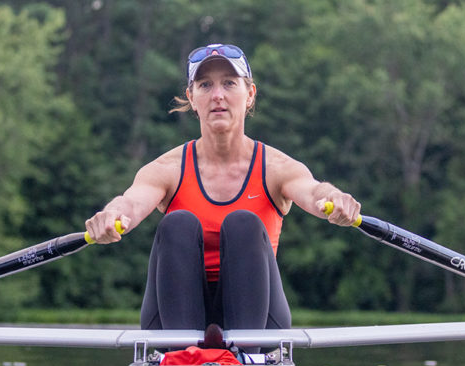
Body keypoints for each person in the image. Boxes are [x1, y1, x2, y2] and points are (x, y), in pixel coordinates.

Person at [85, 43, 360, 333]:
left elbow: (315, 192)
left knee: (244, 223)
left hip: (257, 313)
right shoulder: (166, 169)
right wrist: (111, 213)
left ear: (250, 94)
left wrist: (334, 198)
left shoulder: (277, 168)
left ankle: (244, 352)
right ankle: (183, 357)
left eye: (229, 83)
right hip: (175, 310)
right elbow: (130, 204)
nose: (217, 95)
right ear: (192, 98)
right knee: (177, 223)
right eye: (205, 85)